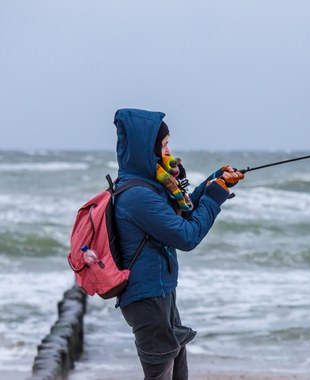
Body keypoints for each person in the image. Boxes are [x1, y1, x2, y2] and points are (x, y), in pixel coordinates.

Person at [112, 108, 244, 380]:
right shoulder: (138, 195)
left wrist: (214, 181)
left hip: (161, 293)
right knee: (160, 373)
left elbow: (184, 210)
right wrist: (215, 197)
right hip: (148, 299)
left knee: (178, 364)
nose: (169, 151)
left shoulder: (150, 184)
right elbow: (186, 236)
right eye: (164, 145)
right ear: (146, 149)